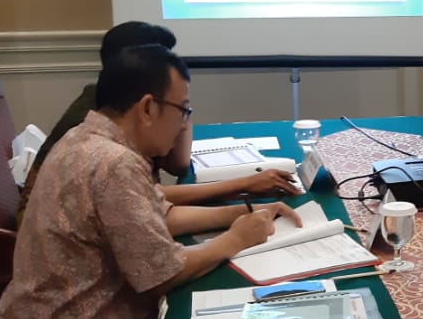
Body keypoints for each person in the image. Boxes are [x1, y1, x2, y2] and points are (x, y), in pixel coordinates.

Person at [0, 44, 301, 319]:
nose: (183, 125)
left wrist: (241, 213)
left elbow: (155, 212)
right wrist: (234, 240)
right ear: (149, 107)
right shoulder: (113, 163)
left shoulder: (86, 138)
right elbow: (162, 273)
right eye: (183, 110)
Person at [17, 21, 300, 221]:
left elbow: (167, 177)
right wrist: (243, 194)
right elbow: (157, 194)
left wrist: (179, 105)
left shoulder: (117, 107)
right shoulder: (100, 132)